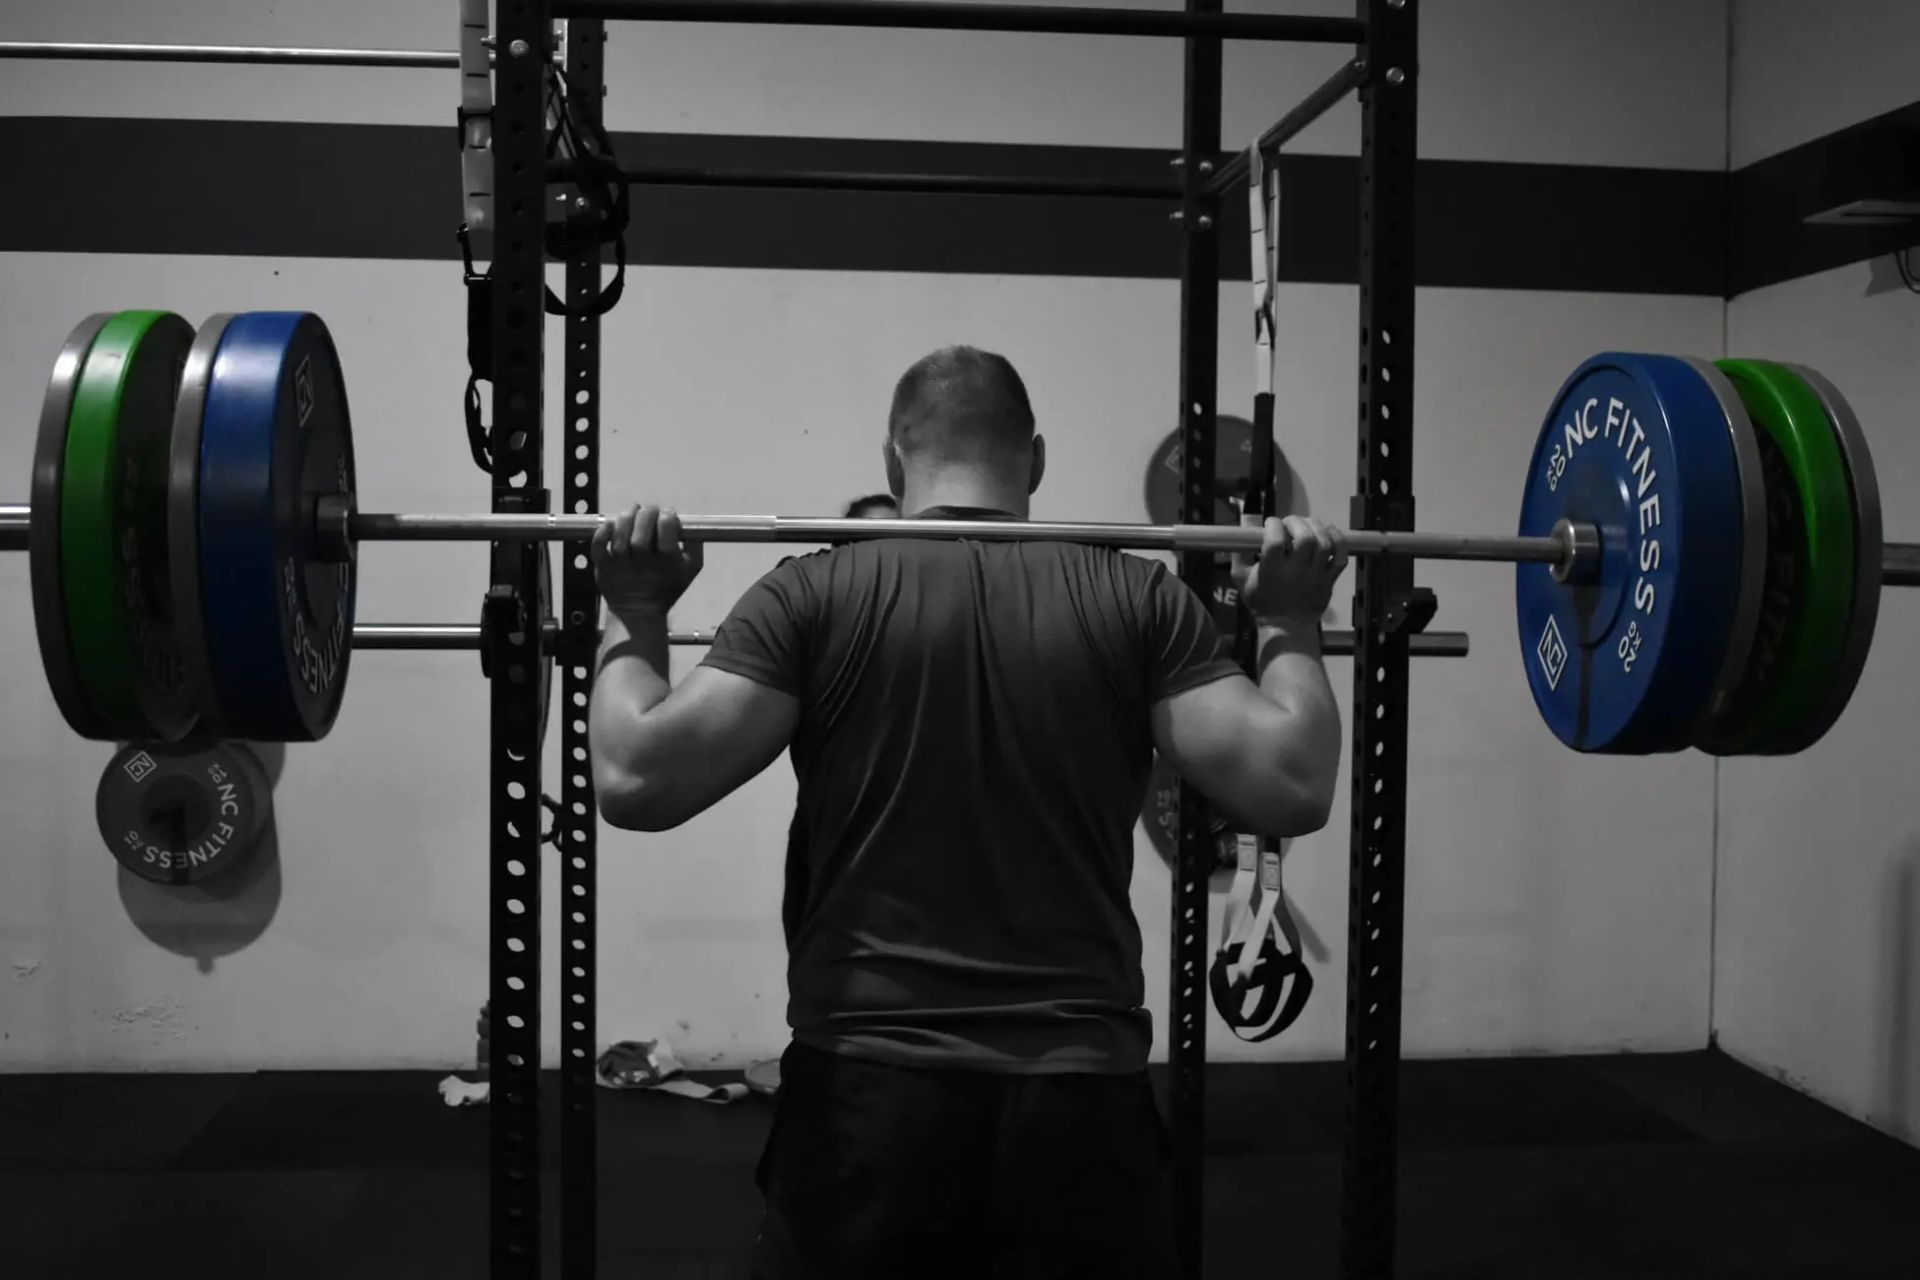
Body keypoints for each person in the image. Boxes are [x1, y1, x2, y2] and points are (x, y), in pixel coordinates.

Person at [587, 345, 1348, 1279]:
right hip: (1078, 1100)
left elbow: (632, 780)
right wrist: (1291, 622)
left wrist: (634, 609)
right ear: (1034, 459)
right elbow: (1294, 785)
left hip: (867, 1098)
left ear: (891, 461)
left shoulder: (811, 595)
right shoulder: (1138, 598)